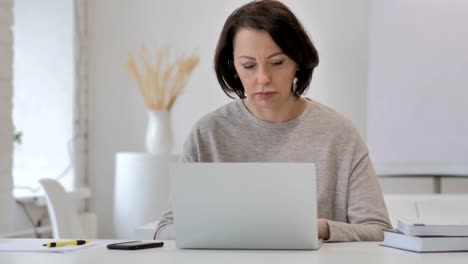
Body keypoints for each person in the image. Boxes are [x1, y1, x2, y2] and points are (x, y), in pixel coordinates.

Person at [155, 0, 392, 242]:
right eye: (248, 66)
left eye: (277, 63)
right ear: (233, 66)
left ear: (297, 62)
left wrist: (320, 228)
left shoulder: (339, 134)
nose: (263, 78)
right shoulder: (208, 134)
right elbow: (166, 230)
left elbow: (379, 230)